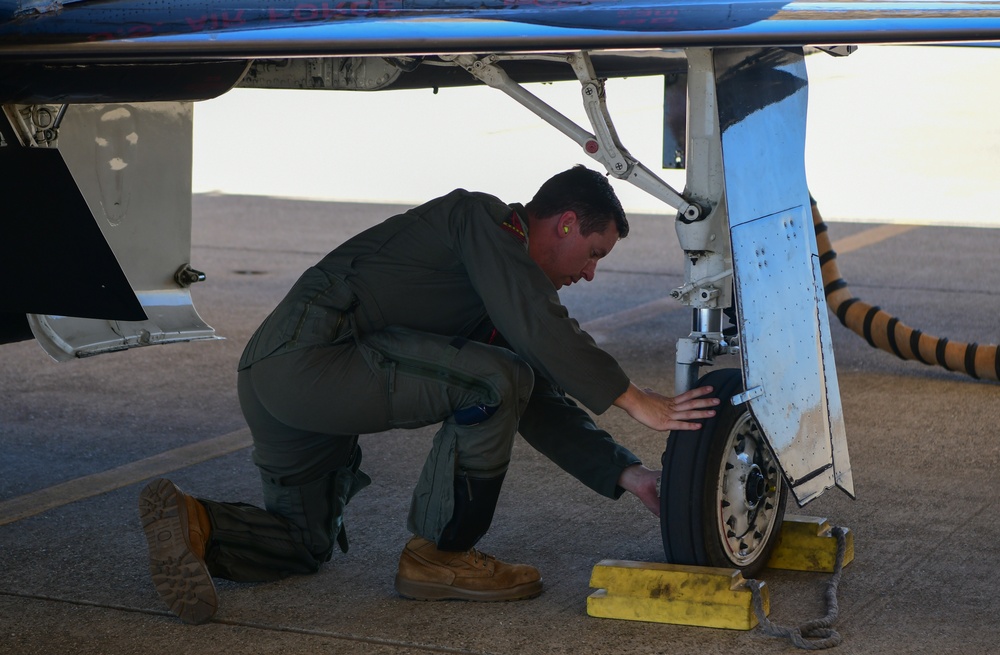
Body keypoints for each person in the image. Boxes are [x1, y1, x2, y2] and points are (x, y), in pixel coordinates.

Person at [139, 165, 718, 624]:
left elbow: (535, 393)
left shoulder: (495, 291)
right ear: (565, 223)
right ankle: (442, 557)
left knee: (301, 543)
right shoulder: (483, 221)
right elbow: (539, 333)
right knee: (496, 377)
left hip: (282, 380)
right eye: (594, 253)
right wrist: (634, 398)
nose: (589, 274)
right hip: (314, 360)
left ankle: (197, 523)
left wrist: (628, 474)